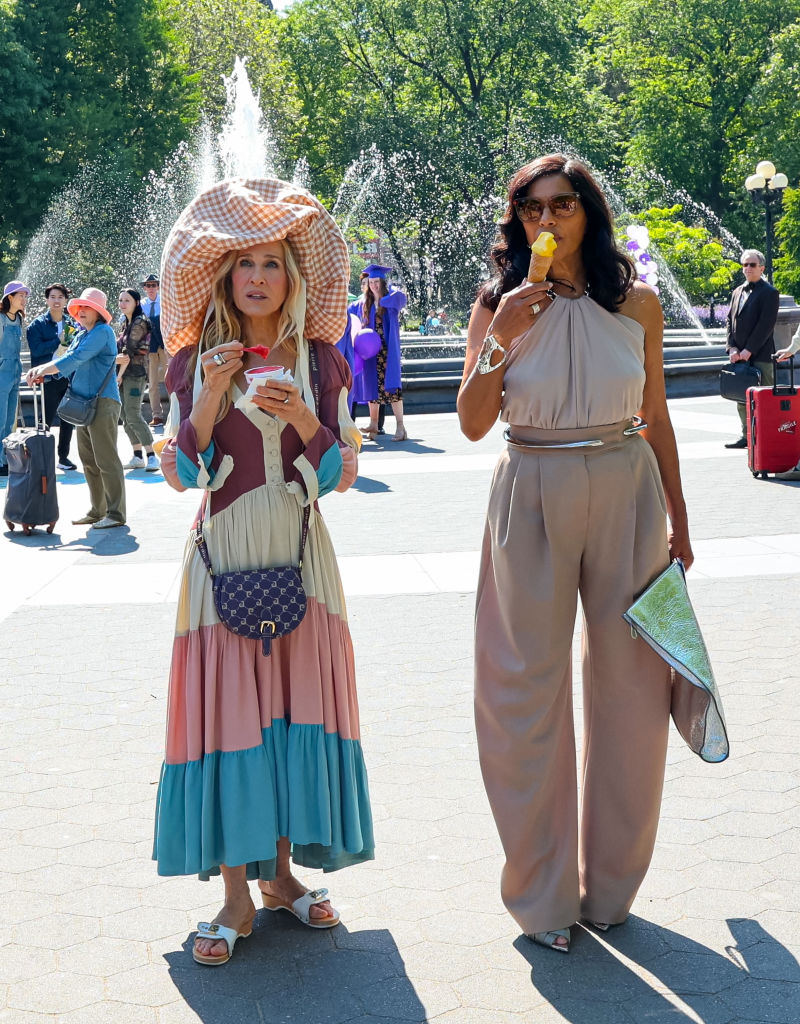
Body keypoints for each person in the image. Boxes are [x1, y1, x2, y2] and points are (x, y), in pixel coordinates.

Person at [457, 154, 693, 953]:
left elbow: (656, 417)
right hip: (529, 487)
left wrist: (682, 523)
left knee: (633, 691)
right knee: (523, 690)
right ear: (516, 220)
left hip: (628, 488)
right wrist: (505, 337)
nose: (547, 221)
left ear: (590, 213)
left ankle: (611, 888)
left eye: (563, 206)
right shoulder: (495, 304)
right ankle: (542, 893)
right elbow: (470, 420)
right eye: (531, 209)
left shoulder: (640, 305)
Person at [152, 177, 374, 967]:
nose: (257, 276)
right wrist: (211, 396)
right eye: (242, 262)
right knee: (231, 717)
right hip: (224, 555)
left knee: (287, 710)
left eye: (272, 262)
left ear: (293, 276)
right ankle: (236, 897)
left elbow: (344, 470)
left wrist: (305, 417)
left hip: (303, 556)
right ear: (222, 275)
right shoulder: (191, 363)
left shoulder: (321, 358)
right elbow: (182, 473)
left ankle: (281, 878)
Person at [26, 287, 126, 529]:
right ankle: (97, 510)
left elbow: (76, 359)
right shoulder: (83, 333)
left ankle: (115, 514)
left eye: (86, 307)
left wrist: (42, 369)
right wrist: (43, 372)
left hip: (102, 403)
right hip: (84, 404)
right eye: (79, 307)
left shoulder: (102, 332)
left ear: (98, 312)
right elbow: (67, 361)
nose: (80, 311)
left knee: (107, 459)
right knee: (89, 460)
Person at [724, 250, 779, 449]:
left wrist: (749, 349)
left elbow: (766, 325)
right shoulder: (737, 291)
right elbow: (729, 322)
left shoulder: (770, 292)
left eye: (752, 265)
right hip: (739, 356)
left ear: (761, 268)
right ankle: (747, 436)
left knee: (764, 397)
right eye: (745, 265)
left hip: (761, 355)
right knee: (742, 397)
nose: (747, 268)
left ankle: (768, 436)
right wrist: (731, 348)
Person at [26, 283, 79, 470]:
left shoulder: (72, 323)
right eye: (53, 297)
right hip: (47, 379)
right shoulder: (37, 325)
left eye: (60, 297)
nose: (56, 301)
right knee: (46, 419)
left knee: (68, 419)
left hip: (68, 376)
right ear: (46, 300)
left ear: (66, 300)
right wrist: (58, 339)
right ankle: (41, 457)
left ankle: (63, 457)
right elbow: (37, 350)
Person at [351, 265, 407, 441]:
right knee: (371, 386)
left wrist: (381, 298)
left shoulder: (391, 299)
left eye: (377, 282)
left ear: (382, 282)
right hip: (370, 351)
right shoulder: (364, 303)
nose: (374, 285)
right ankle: (373, 425)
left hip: (388, 350)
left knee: (392, 388)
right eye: (371, 282)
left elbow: (401, 298)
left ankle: (400, 427)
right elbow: (349, 311)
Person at [116, 289, 159, 471]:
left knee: (133, 414)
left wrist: (117, 375)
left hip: (135, 373)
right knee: (125, 416)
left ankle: (152, 456)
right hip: (124, 373)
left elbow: (129, 351)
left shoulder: (140, 322)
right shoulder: (126, 322)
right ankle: (137, 455)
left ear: (136, 302)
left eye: (127, 300)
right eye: (120, 300)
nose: (122, 303)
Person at [0, 281, 29, 477]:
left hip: (15, 372)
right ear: (10, 297)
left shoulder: (18, 319)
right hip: (2, 372)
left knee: (10, 421)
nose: (24, 300)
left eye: (25, 296)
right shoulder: (0, 319)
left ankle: (6, 460)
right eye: (21, 296)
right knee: (0, 419)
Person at [141, 274, 168, 427]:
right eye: (148, 285)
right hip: (150, 347)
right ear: (144, 288)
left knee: (171, 378)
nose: (151, 288)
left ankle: (174, 413)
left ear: (158, 286)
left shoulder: (165, 301)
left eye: (153, 285)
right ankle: (156, 415)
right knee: (152, 382)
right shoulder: (141, 304)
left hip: (165, 345)